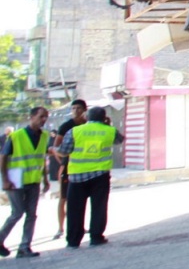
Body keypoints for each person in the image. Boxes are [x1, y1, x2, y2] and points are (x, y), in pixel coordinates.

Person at [57, 106, 124, 248]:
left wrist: (53, 150)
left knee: (75, 209)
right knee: (99, 206)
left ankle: (73, 240)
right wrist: (107, 124)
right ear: (104, 118)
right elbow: (119, 140)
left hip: (76, 176)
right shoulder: (110, 131)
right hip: (100, 175)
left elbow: (63, 152)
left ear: (86, 117)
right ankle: (96, 237)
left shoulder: (74, 131)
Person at [0, 107, 51, 258]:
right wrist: (5, 180)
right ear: (31, 117)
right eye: (41, 116)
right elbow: (3, 158)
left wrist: (45, 179)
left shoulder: (44, 136)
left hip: (33, 180)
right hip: (15, 180)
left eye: (46, 117)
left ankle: (24, 247)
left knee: (31, 214)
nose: (44, 120)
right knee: (17, 212)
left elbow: (41, 158)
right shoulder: (16, 136)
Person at [53, 99, 87, 239]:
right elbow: (56, 147)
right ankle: (61, 228)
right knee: (64, 198)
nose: (76, 111)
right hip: (68, 168)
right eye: (73, 108)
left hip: (84, 167)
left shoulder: (88, 125)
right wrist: (62, 163)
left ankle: (79, 226)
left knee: (80, 200)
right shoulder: (66, 126)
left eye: (79, 108)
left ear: (85, 109)